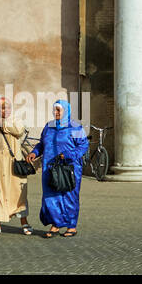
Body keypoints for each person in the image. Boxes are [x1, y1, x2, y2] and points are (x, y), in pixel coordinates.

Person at [28, 100, 87, 238]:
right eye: (54, 110)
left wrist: (68, 155)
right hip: (50, 168)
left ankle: (71, 226)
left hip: (69, 168)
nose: (55, 113)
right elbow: (42, 144)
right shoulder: (49, 127)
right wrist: (34, 152)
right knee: (51, 196)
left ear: (65, 111)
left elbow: (83, 146)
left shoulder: (76, 127)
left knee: (69, 196)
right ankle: (55, 224)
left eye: (58, 110)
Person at [0, 97, 33, 237]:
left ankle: (24, 222)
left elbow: (19, 131)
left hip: (13, 165)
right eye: (2, 108)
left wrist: (1, 123)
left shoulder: (16, 120)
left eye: (7, 107)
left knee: (18, 195)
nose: (5, 110)